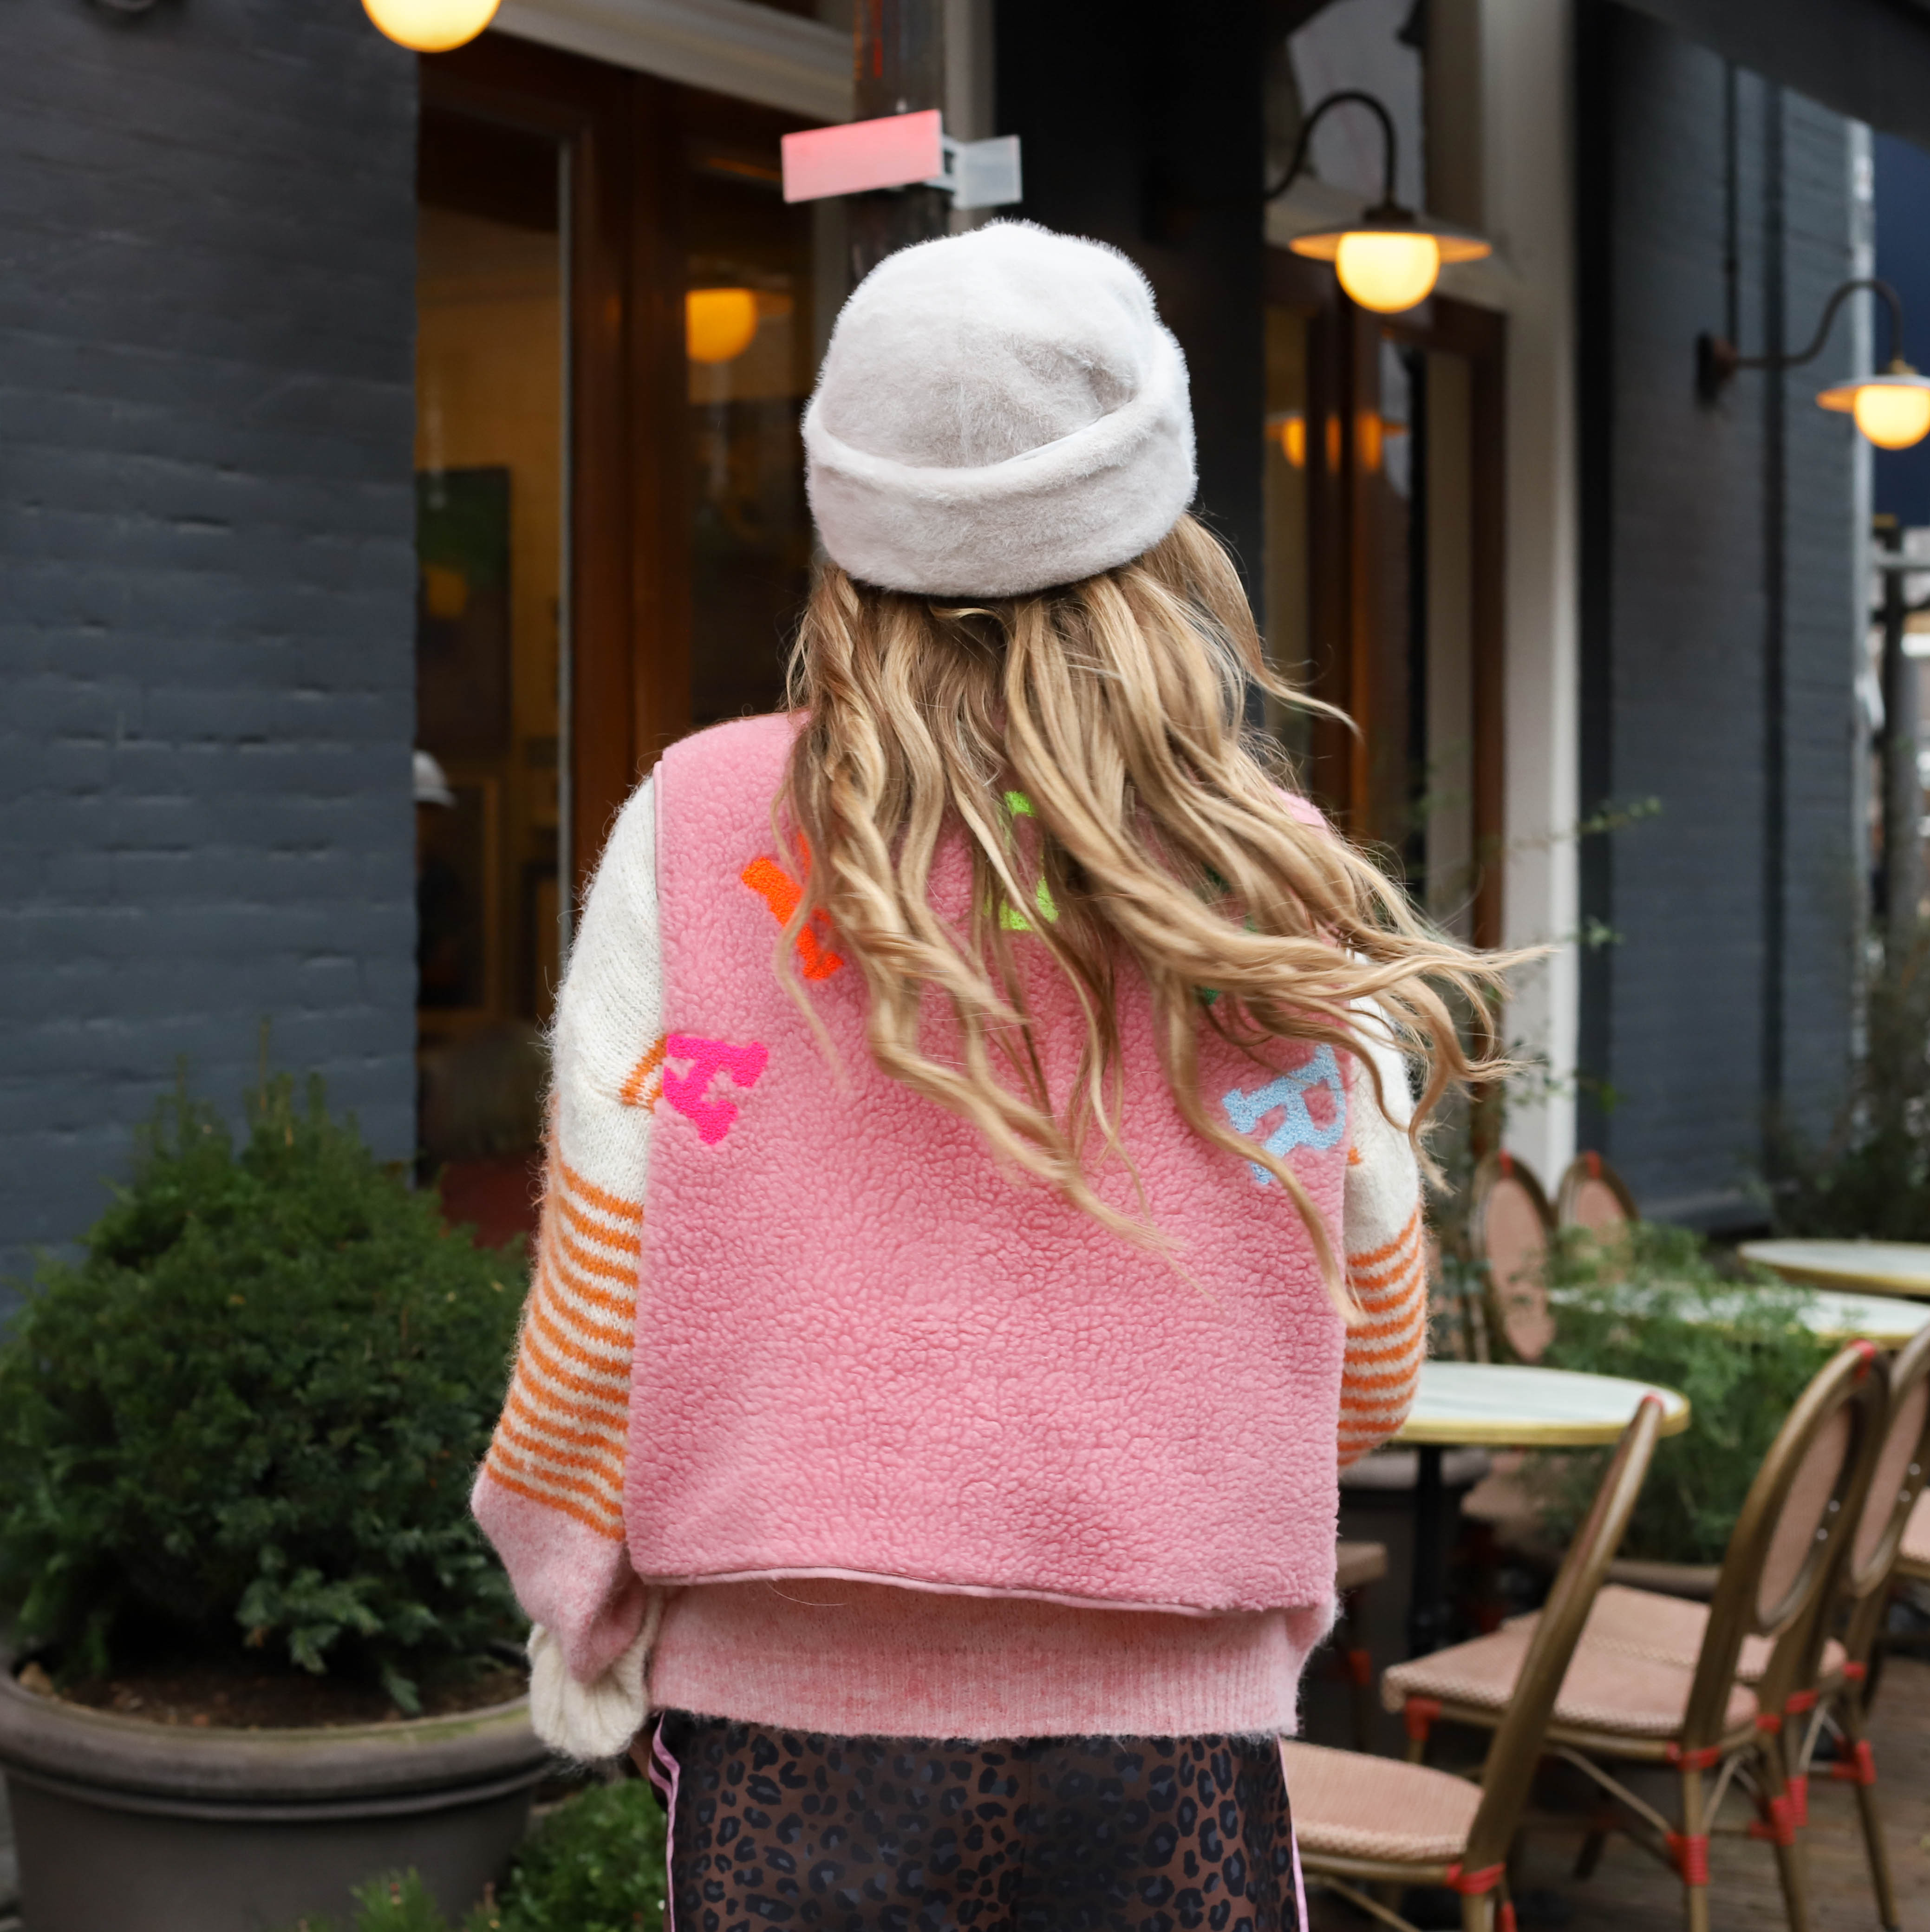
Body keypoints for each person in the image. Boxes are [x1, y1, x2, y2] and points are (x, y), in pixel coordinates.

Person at [473, 221, 1510, 1932]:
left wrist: (578, 1614)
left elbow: (606, 1306)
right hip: (1173, 1734)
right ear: (1156, 523)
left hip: (791, 1732)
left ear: (844, 525)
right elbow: (1373, 1350)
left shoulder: (702, 827)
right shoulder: (1258, 869)